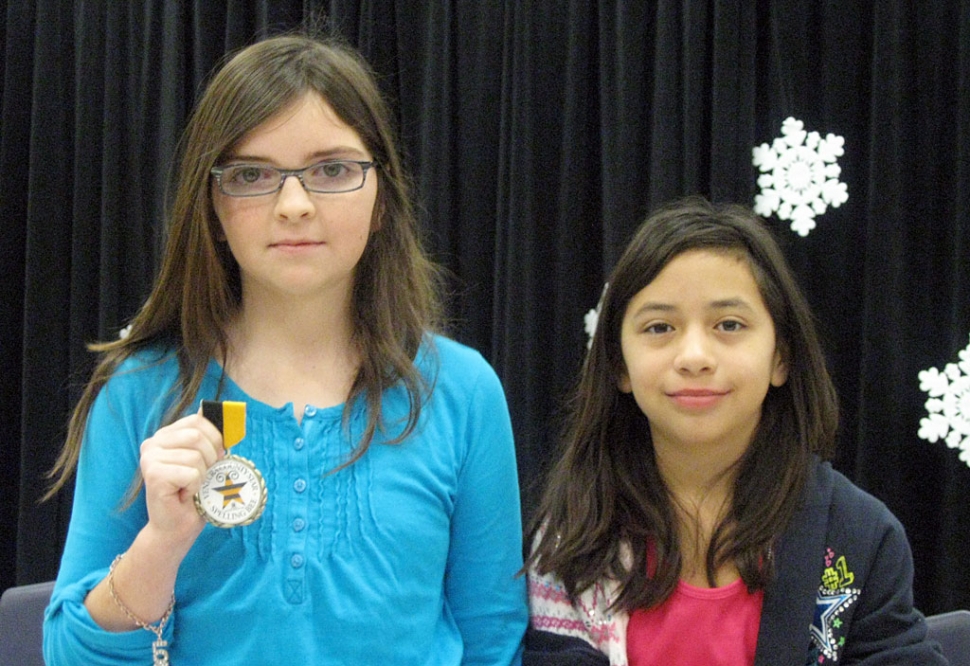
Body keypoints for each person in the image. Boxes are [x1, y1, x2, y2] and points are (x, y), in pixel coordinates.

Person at [43, 33, 527, 665]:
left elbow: (494, 641)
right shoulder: (140, 391)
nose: (294, 205)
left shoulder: (462, 392)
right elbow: (67, 655)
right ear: (212, 205)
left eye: (332, 170)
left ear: (382, 199)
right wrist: (160, 545)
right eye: (252, 175)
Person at [523, 197, 948, 665]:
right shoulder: (571, 540)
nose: (694, 356)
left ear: (781, 357)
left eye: (729, 324)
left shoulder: (860, 535)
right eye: (660, 327)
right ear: (619, 365)